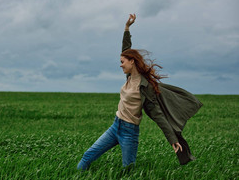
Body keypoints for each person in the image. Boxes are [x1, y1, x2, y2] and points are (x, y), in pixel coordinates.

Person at [77, 14, 203, 170]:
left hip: (130, 132)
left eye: (122, 62)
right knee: (87, 156)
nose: (120, 65)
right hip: (115, 126)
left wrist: (172, 139)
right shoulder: (129, 75)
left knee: (128, 170)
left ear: (132, 61)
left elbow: (158, 115)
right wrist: (127, 28)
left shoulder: (145, 87)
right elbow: (125, 50)